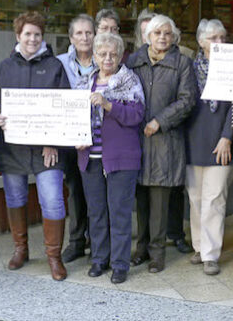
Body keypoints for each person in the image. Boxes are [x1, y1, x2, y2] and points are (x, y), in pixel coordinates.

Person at [0, 11, 71, 281]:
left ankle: (53, 257)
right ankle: (20, 249)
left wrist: (52, 142)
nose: (32, 39)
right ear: (18, 36)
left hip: (47, 150)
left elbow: (64, 108)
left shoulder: (56, 66)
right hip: (12, 148)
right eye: (27, 34)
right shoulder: (4, 68)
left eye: (37, 34)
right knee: (15, 199)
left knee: (53, 202)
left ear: (42, 37)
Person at [127, 14, 197, 273]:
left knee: (159, 200)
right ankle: (141, 248)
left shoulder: (182, 63)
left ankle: (157, 252)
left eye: (167, 33)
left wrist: (159, 121)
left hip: (165, 140)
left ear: (174, 36)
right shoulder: (135, 61)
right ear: (148, 37)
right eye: (157, 33)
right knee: (141, 199)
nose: (162, 38)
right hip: (137, 141)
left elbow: (187, 100)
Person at [75, 33, 145, 284]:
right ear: (94, 56)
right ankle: (99, 259)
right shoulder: (85, 82)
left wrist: (108, 105)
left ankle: (119, 264)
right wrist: (75, 136)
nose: (108, 58)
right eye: (102, 54)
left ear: (120, 56)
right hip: (90, 157)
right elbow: (72, 116)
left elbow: (136, 116)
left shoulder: (129, 80)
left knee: (119, 213)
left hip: (121, 158)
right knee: (96, 212)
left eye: (113, 54)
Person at [185, 19, 233, 276]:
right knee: (195, 199)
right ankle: (199, 246)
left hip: (222, 143)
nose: (218, 43)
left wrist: (227, 136)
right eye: (213, 38)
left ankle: (211, 254)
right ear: (201, 42)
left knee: (215, 198)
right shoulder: (189, 69)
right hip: (193, 142)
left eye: (222, 37)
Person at [57, 14, 96, 263]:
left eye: (88, 33)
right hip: (70, 139)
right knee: (75, 190)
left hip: (98, 137)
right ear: (71, 38)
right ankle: (76, 241)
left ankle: (98, 240)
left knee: (96, 192)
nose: (84, 37)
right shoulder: (59, 63)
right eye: (79, 33)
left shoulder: (104, 59)